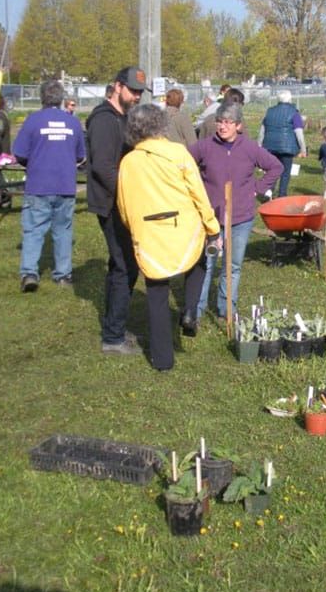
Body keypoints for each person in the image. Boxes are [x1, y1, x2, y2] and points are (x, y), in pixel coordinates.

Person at [116, 104, 220, 371]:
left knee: (156, 294)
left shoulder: (128, 161)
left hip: (149, 234)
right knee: (198, 262)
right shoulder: (178, 153)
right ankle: (189, 310)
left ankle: (162, 360)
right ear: (161, 124)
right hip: (183, 227)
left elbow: (124, 205)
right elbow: (198, 192)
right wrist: (212, 227)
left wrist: (133, 229)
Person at [189, 103, 283, 320]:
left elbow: (276, 166)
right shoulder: (204, 146)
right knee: (207, 263)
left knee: (233, 265)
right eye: (220, 122)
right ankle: (197, 310)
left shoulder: (249, 148)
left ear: (238, 126)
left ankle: (226, 309)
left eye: (228, 122)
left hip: (240, 218)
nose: (222, 126)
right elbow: (184, 164)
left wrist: (258, 189)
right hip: (211, 217)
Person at [86, 65, 147, 355]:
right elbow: (102, 167)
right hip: (112, 204)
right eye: (132, 90)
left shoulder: (124, 118)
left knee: (118, 266)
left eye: (139, 92)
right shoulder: (104, 120)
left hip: (122, 202)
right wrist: (127, 197)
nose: (136, 96)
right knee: (126, 267)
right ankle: (113, 338)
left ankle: (115, 328)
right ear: (117, 86)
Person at [12, 80, 86, 292]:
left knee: (34, 229)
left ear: (42, 97)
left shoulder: (33, 121)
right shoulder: (72, 123)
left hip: (38, 184)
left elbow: (20, 153)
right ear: (62, 98)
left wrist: (33, 163)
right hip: (65, 184)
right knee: (63, 230)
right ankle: (63, 275)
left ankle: (29, 273)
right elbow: (81, 156)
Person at [259, 90, 307, 198]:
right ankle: (282, 194)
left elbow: (262, 130)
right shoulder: (294, 112)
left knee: (272, 170)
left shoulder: (269, 111)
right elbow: (299, 132)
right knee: (285, 172)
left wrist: (259, 145)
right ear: (290, 99)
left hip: (270, 146)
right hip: (287, 147)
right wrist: (303, 149)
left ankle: (269, 192)